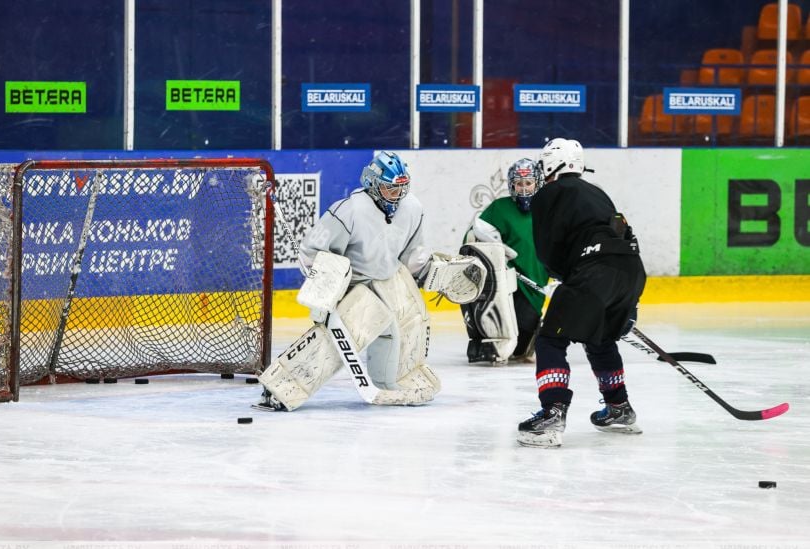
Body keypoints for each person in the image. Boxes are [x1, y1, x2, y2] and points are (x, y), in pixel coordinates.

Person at [255, 151, 485, 412]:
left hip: (390, 276)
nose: (397, 196)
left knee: (411, 323)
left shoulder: (413, 208)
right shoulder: (348, 211)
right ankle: (281, 386)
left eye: (401, 189)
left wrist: (433, 272)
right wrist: (327, 286)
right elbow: (311, 253)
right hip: (354, 282)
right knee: (342, 338)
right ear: (373, 185)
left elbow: (412, 256)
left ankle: (395, 380)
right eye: (390, 189)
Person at [516, 138, 646, 448]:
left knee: (550, 339)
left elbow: (548, 253)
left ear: (551, 164)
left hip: (594, 272)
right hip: (632, 271)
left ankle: (552, 412)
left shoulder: (550, 193)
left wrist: (569, 278)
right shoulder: (597, 192)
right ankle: (618, 407)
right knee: (599, 337)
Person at [460, 158, 550, 364]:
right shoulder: (500, 208)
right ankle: (479, 339)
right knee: (496, 334)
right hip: (505, 284)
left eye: (529, 183)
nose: (524, 189)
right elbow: (473, 238)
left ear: (538, 183)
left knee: (518, 349)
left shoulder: (548, 209)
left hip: (534, 287)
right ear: (512, 185)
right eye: (519, 184)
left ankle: (535, 330)